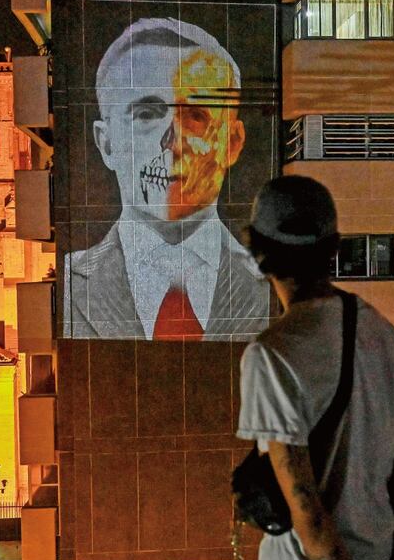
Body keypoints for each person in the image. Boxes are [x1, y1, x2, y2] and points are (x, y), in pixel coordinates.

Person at [236, 176, 394, 560]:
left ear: (257, 253)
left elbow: (305, 506)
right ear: (333, 248)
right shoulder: (384, 336)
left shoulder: (272, 356)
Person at [64, 17, 270, 340]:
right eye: (146, 114)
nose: (172, 141)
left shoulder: (269, 283)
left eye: (197, 116)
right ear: (107, 144)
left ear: (232, 143)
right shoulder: (68, 286)